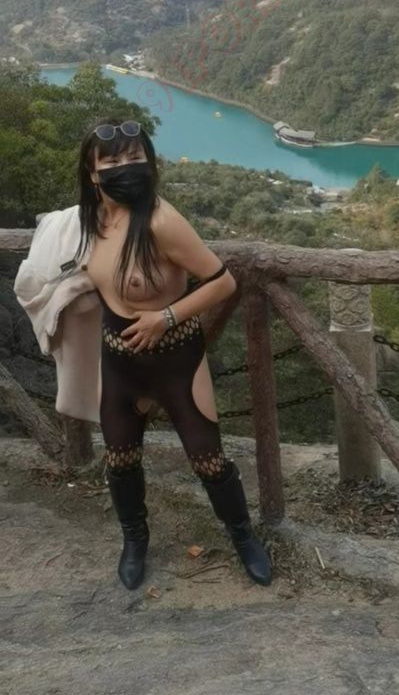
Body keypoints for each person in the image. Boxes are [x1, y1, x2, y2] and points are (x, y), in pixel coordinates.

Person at [72, 116, 272, 591]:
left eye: (135, 156)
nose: (126, 166)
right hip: (119, 361)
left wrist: (164, 317)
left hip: (176, 360)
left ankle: (243, 537)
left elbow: (222, 281)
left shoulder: (160, 220)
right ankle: (134, 539)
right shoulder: (90, 219)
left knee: (208, 460)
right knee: (120, 459)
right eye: (113, 160)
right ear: (92, 172)